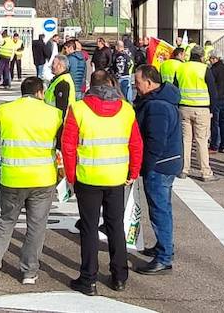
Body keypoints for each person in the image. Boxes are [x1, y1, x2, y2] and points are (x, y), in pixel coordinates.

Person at [62, 70, 142, 296]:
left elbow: (68, 146)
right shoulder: (126, 109)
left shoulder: (78, 109)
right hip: (116, 176)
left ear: (90, 85)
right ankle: (120, 276)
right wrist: (133, 171)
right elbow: (136, 144)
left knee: (89, 228)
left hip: (87, 176)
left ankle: (88, 279)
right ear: (111, 83)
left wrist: (70, 176)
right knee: (115, 225)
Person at [0, 76, 61, 284]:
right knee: (36, 226)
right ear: (40, 92)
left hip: (13, 178)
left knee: (6, 221)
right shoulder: (55, 114)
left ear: (22, 92)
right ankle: (29, 272)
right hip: (43, 178)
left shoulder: (5, 111)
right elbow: (61, 144)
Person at [131, 65, 181, 275]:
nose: (136, 86)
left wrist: (144, 167)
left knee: (159, 209)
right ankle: (164, 247)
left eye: (138, 82)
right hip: (165, 163)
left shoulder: (157, 106)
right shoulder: (160, 101)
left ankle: (164, 257)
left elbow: (155, 142)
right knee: (162, 208)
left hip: (160, 165)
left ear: (150, 83)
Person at [177, 48, 216, 181]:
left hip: (183, 107)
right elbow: (213, 91)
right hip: (201, 109)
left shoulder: (181, 68)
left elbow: (175, 87)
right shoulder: (205, 69)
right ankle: (205, 172)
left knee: (185, 140)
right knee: (201, 140)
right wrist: (212, 110)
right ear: (201, 56)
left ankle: (183, 169)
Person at [206, 53, 224, 153]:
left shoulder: (213, 70)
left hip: (216, 97)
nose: (209, 61)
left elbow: (210, 84)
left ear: (215, 58)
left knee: (214, 122)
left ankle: (214, 145)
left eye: (210, 59)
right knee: (223, 121)